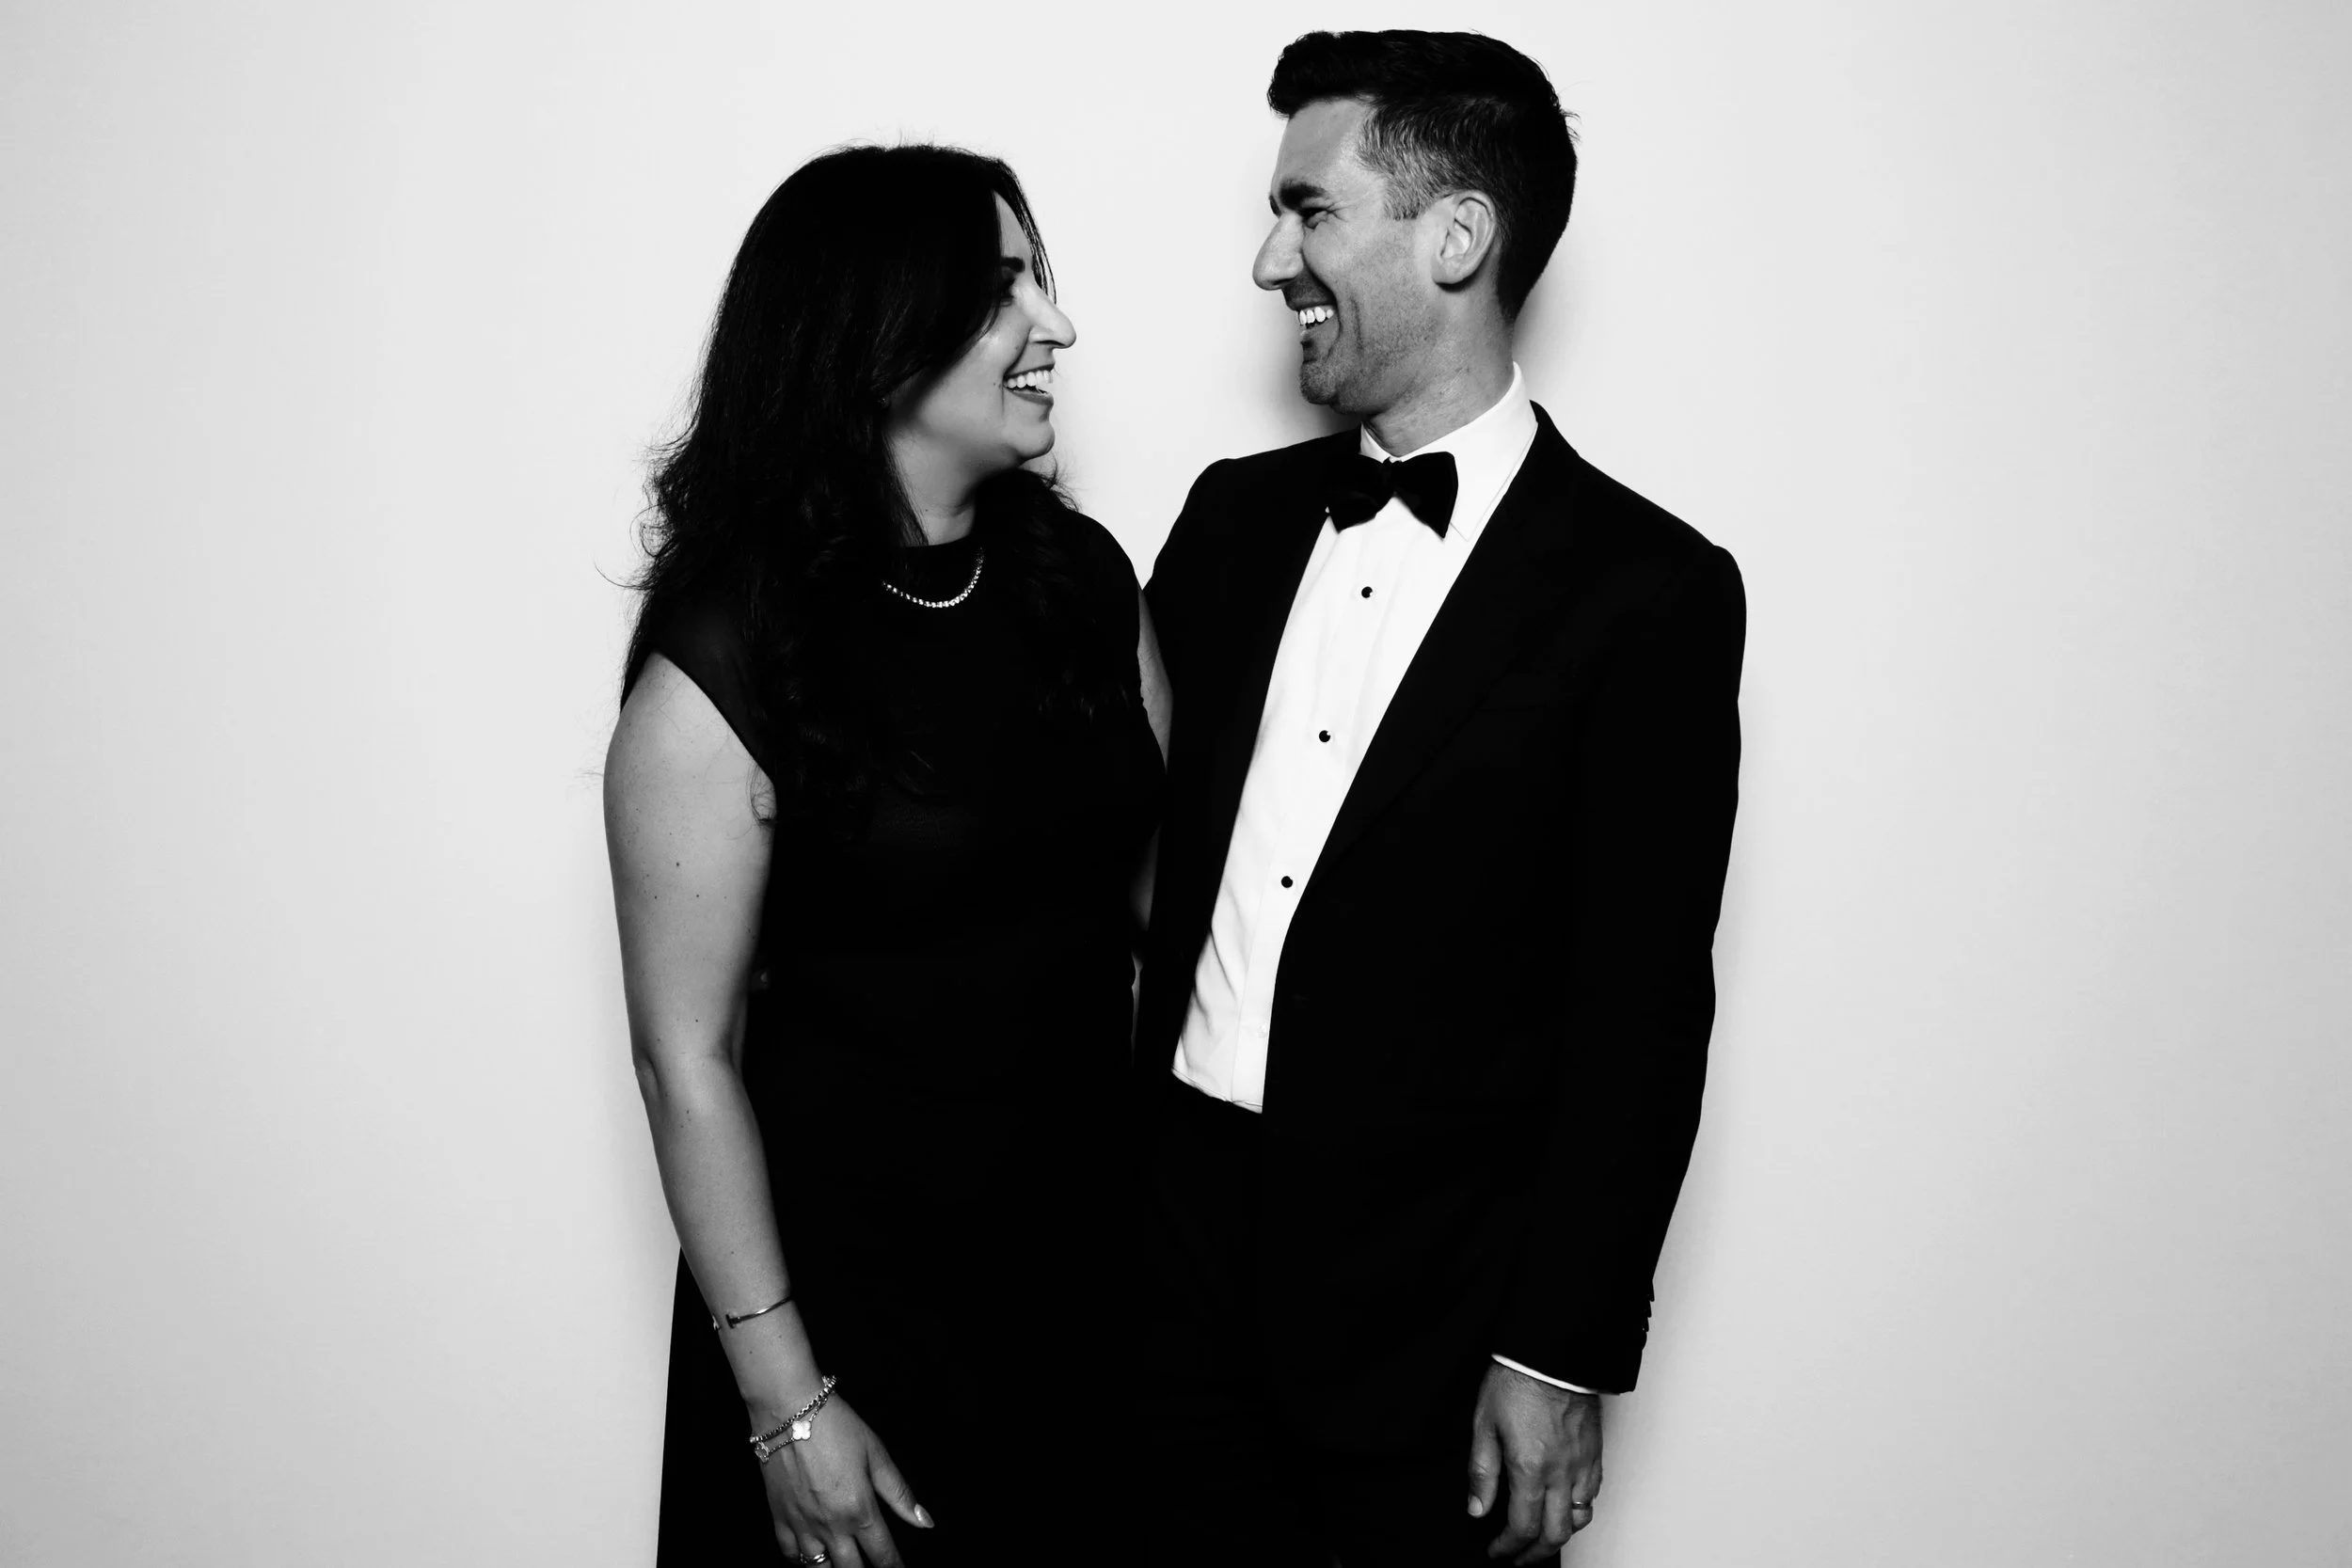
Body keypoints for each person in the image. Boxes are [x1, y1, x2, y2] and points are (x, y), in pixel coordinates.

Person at [1133, 30, 1745, 1567]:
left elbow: (1644, 1007)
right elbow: (1084, 811)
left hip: (1425, 1338)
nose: (1271, 258)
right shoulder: (1229, 520)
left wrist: (1558, 1353)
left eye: (1310, 209)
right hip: (1161, 1290)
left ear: (1457, 234)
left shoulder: (1650, 593)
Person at [604, 145, 1167, 1568]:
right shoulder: (729, 651)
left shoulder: (1087, 588)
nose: (1056, 325)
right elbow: (688, 1056)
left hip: (1089, 1308)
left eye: (1041, 279)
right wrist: (789, 1404)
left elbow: (1163, 930)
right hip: (849, 1334)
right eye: (1002, 292)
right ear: (872, 328)